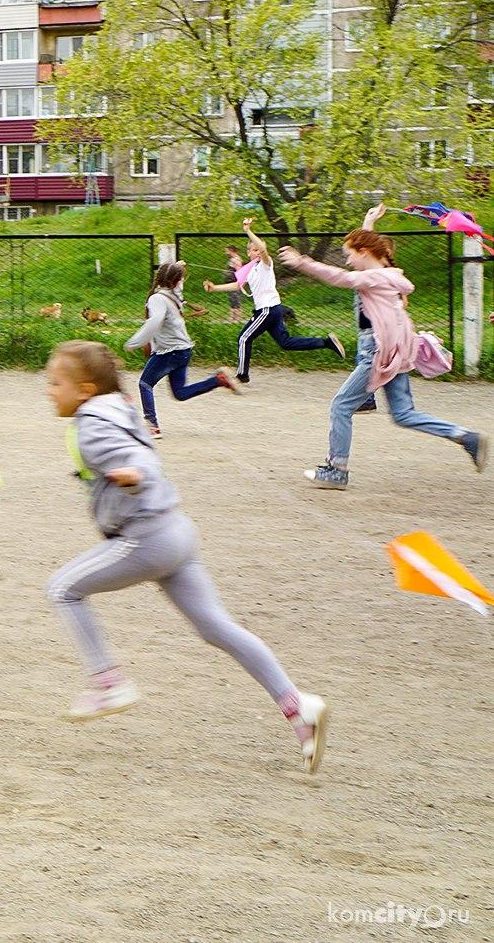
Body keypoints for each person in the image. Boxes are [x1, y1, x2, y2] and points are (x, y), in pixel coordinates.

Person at [43, 340, 330, 772]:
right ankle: (298, 707)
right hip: (176, 531)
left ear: (84, 390)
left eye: (55, 383)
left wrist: (135, 474)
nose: (48, 390)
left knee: (63, 589)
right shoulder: (116, 407)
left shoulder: (91, 425)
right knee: (216, 627)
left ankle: (107, 684)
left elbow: (139, 459)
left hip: (148, 537)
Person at [277, 209, 485, 489]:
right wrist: (368, 224)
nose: (348, 260)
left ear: (364, 252)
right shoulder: (388, 275)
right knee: (404, 414)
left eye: (350, 254)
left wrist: (302, 262)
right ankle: (465, 436)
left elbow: (341, 278)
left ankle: (336, 469)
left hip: (377, 352)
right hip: (392, 351)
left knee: (340, 405)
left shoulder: (372, 278)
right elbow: (367, 256)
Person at [202, 219, 345, 384]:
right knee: (285, 342)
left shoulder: (265, 264)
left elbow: (263, 249)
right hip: (272, 310)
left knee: (243, 338)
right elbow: (237, 285)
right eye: (253, 250)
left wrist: (248, 231)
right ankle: (327, 342)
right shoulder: (250, 269)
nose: (257, 252)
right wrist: (215, 288)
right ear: (248, 252)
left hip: (267, 310)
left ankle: (242, 375)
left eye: (258, 249)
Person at [122, 262, 238, 439]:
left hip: (169, 351)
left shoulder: (157, 298)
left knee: (145, 384)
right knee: (180, 393)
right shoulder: (174, 295)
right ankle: (218, 380)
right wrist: (176, 267)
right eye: (181, 279)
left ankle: (152, 426)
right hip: (183, 350)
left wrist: (135, 342)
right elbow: (174, 280)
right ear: (176, 282)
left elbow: (154, 321)